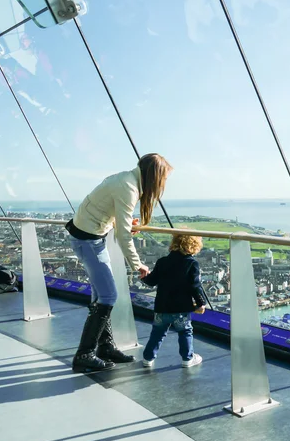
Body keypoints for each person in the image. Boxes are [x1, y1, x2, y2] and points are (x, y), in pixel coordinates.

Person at [66, 153, 173, 373]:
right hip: (88, 240)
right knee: (108, 296)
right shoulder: (129, 187)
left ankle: (105, 347)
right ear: (154, 175)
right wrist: (137, 264)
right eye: (163, 178)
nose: (163, 183)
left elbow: (106, 211)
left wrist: (123, 222)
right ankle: (84, 354)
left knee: (101, 296)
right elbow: (124, 235)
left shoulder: (126, 179)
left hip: (90, 237)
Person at [142, 233, 207, 368]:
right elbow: (195, 286)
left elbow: (152, 281)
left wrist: (144, 276)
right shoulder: (191, 263)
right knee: (185, 332)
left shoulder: (162, 261)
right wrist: (201, 303)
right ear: (194, 246)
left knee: (157, 333)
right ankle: (187, 358)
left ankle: (148, 358)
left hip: (162, 307)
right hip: (181, 309)